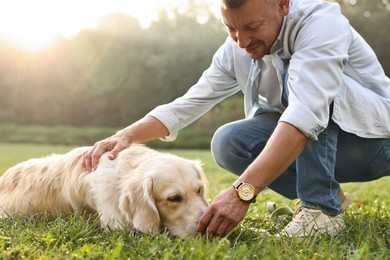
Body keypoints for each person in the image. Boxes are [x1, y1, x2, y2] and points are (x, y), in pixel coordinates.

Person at [84, 0, 390, 238]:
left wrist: (242, 193)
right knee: (229, 142)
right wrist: (126, 135)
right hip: (328, 147)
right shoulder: (237, 47)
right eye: (232, 28)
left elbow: (307, 112)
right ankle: (327, 193)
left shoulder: (321, 24)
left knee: (318, 92)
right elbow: (190, 103)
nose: (242, 41)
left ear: (283, 4)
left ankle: (321, 210)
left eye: (252, 26)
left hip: (376, 143)